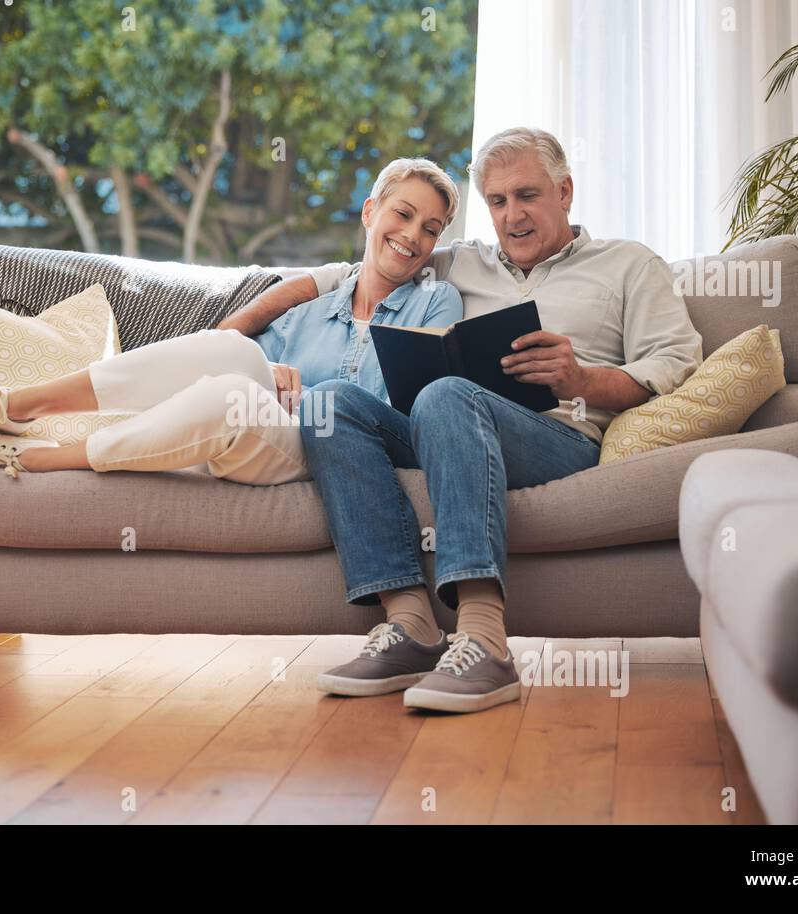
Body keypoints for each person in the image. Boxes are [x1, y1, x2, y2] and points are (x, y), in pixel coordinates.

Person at [225, 127, 703, 713]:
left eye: (527, 195)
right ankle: (410, 627)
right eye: (497, 202)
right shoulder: (456, 263)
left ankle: (485, 640)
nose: (512, 216)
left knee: (449, 392)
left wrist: (581, 380)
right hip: (444, 429)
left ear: (565, 191)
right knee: (329, 404)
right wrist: (245, 326)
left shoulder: (629, 264)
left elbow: (677, 362)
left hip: (557, 435)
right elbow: (364, 265)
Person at [0, 157, 464, 485]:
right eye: (404, 214)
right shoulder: (311, 306)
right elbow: (224, 350)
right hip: (263, 422)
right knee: (234, 363)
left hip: (330, 445)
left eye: (432, 229)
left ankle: (33, 457)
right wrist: (269, 370)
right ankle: (14, 404)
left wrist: (322, 395)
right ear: (371, 213)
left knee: (236, 387)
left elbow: (416, 406)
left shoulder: (437, 302)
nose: (414, 236)